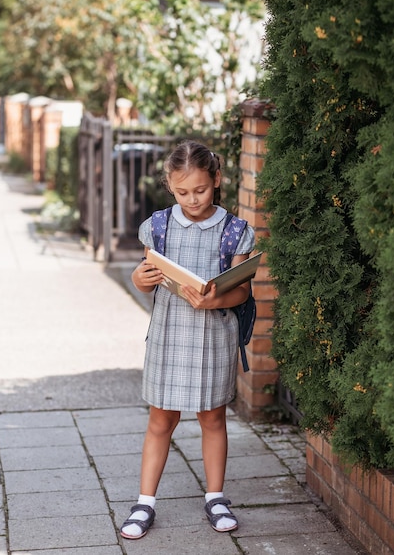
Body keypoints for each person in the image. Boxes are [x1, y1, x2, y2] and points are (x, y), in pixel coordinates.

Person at [120, 140, 255, 540]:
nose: (193, 199)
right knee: (161, 419)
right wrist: (137, 279)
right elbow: (147, 278)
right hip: (169, 334)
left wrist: (216, 298)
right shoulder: (158, 226)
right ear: (169, 186)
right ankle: (145, 502)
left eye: (201, 190)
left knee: (213, 417)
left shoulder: (235, 231)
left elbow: (243, 292)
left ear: (216, 179)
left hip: (214, 337)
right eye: (183, 192)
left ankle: (216, 497)